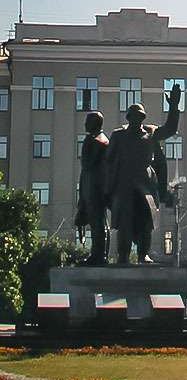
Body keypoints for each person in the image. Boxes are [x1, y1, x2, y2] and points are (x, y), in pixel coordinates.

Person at [105, 83, 181, 264]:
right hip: (124, 184)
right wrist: (108, 188)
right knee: (124, 222)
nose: (137, 120)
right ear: (128, 117)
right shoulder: (118, 135)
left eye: (140, 117)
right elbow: (108, 161)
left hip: (146, 185)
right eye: (134, 117)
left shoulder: (151, 132)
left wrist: (174, 106)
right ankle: (123, 256)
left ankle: (142, 254)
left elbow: (170, 129)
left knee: (146, 220)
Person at [75, 111, 111, 265]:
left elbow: (87, 165)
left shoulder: (95, 140)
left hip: (94, 186)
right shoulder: (100, 139)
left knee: (97, 222)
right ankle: (99, 254)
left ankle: (99, 256)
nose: (85, 125)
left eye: (88, 122)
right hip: (94, 185)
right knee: (99, 221)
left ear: (95, 123)